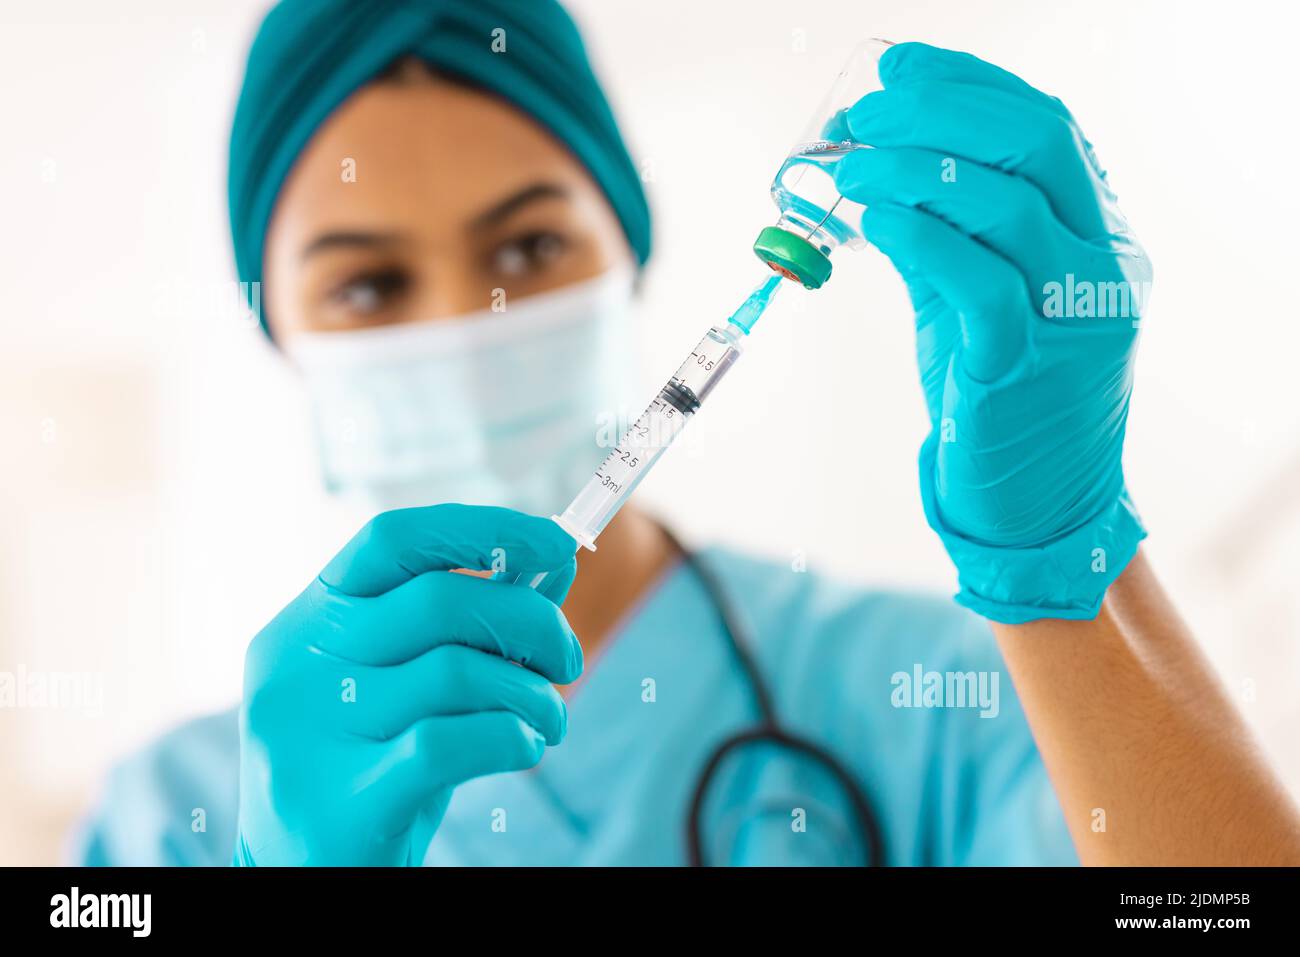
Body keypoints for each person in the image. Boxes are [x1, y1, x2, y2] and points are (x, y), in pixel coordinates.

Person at [73, 0, 1300, 867]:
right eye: (367, 286)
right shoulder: (172, 815)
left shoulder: (926, 696)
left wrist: (1063, 555)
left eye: (527, 249)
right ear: (279, 338)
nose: (465, 318)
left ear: (630, 262)